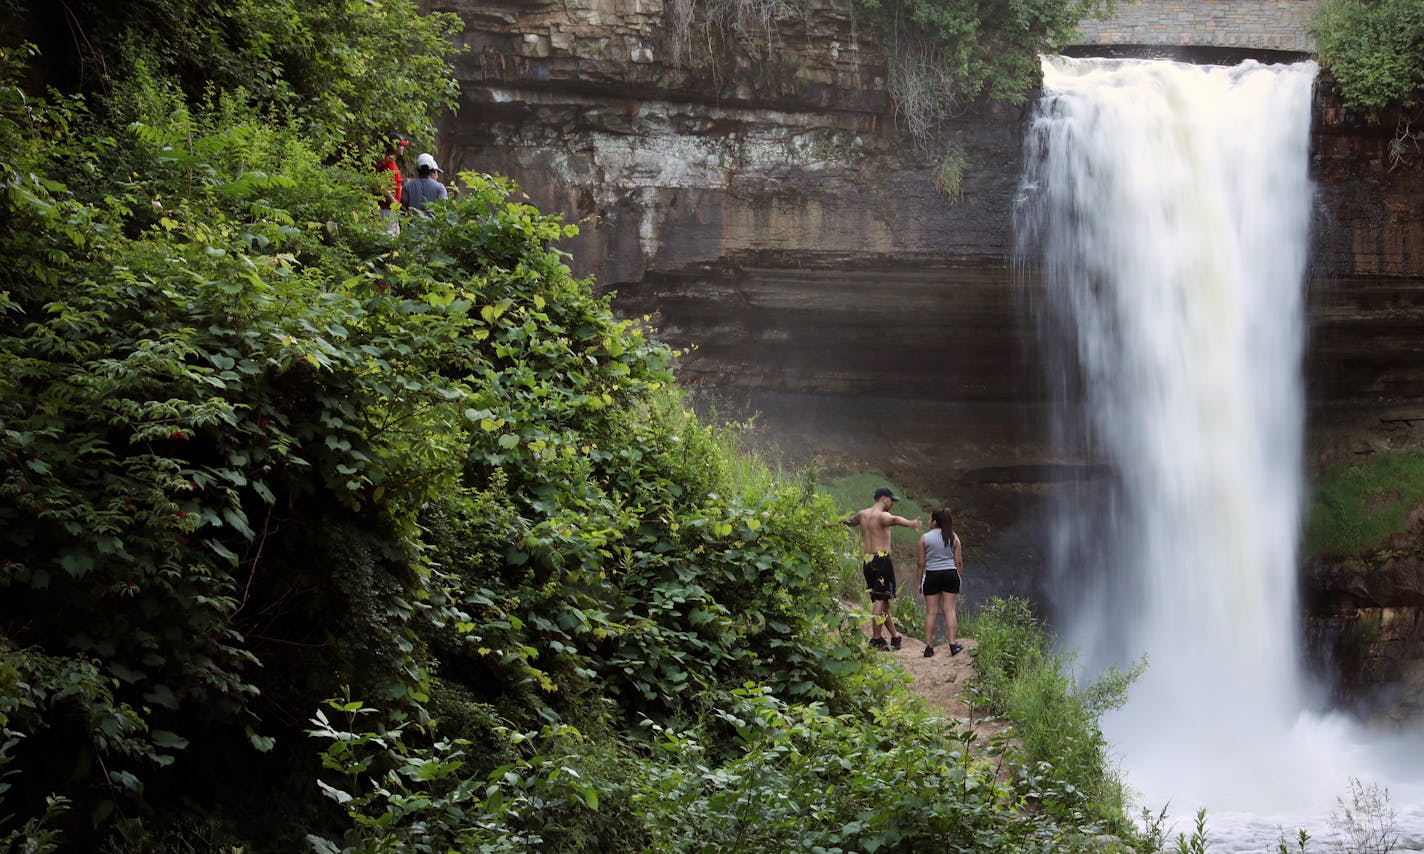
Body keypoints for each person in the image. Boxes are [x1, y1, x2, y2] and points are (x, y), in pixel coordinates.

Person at [843, 487, 921, 650]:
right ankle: (876, 638)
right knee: (880, 600)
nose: (892, 503)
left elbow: (847, 521)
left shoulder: (863, 514)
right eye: (891, 500)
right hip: (881, 560)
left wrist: (829, 525)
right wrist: (911, 523)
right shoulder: (882, 515)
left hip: (867, 561)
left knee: (883, 600)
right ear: (884, 498)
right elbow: (894, 520)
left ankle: (895, 636)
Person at [917, 507, 964, 657]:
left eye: (930, 519)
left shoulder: (924, 538)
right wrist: (959, 577)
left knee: (931, 612)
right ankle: (953, 644)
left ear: (935, 522)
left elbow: (920, 564)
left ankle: (929, 647)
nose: (928, 521)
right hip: (950, 574)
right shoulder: (954, 537)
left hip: (932, 575)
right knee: (949, 610)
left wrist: (919, 582)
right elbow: (959, 562)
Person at [376, 133, 408, 233]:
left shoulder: (389, 162)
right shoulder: (388, 164)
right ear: (393, 146)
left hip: (389, 210)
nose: (403, 148)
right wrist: (395, 204)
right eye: (401, 145)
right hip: (387, 210)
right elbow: (382, 188)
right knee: (389, 239)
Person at [403, 152, 448, 217]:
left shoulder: (407, 186)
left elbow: (403, 208)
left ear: (418, 169)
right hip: (432, 225)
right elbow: (442, 209)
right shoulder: (440, 187)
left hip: (412, 224)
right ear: (432, 170)